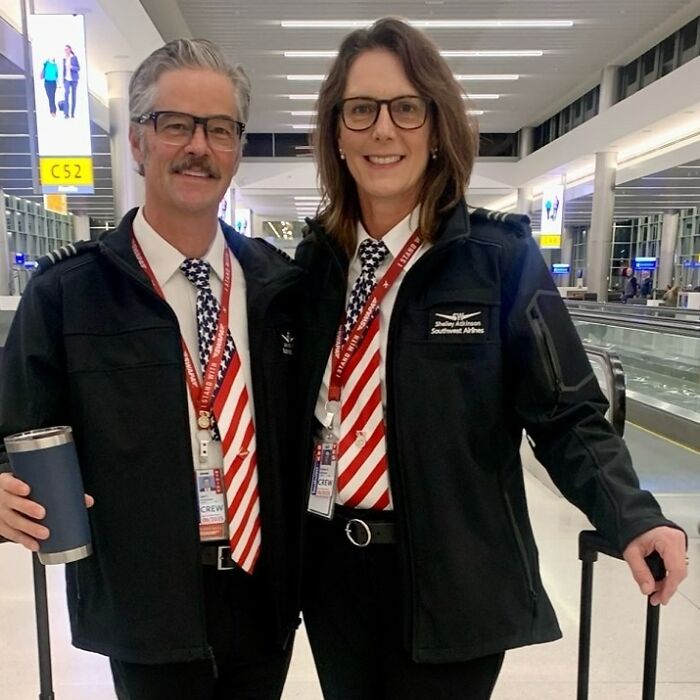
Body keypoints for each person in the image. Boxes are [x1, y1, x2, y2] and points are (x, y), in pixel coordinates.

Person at [295, 18, 687, 700]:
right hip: (336, 582)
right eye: (360, 110)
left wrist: (633, 513)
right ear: (336, 132)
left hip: (459, 579)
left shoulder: (499, 261)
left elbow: (567, 415)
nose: (382, 130)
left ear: (436, 126)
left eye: (406, 108)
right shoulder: (312, 270)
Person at [0, 39, 302, 700]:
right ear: (138, 142)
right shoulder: (69, 294)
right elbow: (11, 424)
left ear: (236, 147)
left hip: (265, 593)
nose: (199, 145)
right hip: (144, 599)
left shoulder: (282, 289)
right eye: (176, 125)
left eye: (219, 128)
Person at [62, 44, 80, 118]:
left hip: (74, 79)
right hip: (67, 79)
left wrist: (72, 67)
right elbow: (64, 70)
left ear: (70, 49)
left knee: (73, 96)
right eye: (65, 49)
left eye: (67, 49)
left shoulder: (74, 58)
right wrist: (63, 79)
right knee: (66, 95)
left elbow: (78, 68)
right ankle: (66, 114)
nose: (66, 51)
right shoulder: (64, 59)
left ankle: (72, 113)